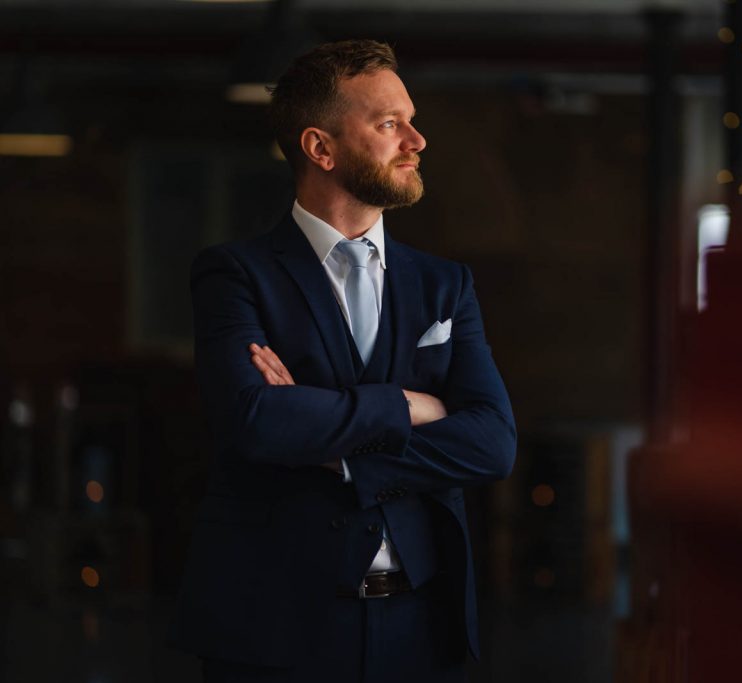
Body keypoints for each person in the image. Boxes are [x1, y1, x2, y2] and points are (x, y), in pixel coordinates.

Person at [169, 40, 516, 683]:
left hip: (417, 627)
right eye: (389, 124)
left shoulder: (447, 286)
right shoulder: (235, 275)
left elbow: (493, 444)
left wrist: (329, 436)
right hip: (271, 631)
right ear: (320, 148)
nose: (416, 140)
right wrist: (413, 407)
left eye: (410, 121)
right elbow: (255, 421)